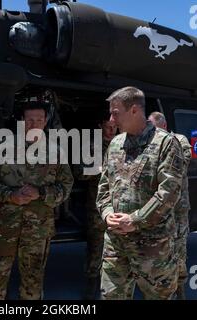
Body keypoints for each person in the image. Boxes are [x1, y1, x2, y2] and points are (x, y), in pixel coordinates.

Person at [0, 99, 74, 300]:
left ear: (46, 120)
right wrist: (10, 195)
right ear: (22, 120)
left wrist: (41, 193)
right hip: (5, 227)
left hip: (37, 231)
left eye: (39, 119)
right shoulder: (4, 147)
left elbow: (65, 187)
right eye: (30, 120)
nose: (34, 124)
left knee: (33, 282)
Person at [96, 86, 184, 300]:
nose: (111, 119)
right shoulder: (116, 144)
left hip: (152, 247)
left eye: (115, 113)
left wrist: (136, 219)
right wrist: (107, 213)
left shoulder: (165, 143)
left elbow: (169, 193)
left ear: (134, 110)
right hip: (116, 244)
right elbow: (104, 187)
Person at [148, 111, 192, 300]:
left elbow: (184, 161)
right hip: (157, 208)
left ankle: (180, 291)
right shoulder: (149, 143)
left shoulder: (178, 140)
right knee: (158, 251)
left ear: (163, 126)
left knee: (179, 251)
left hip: (177, 208)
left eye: (153, 128)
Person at [74, 119, 117, 299]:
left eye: (114, 127)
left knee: (116, 248)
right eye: (107, 127)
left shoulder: (123, 144)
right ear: (99, 125)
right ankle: (92, 284)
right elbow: (78, 172)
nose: (111, 130)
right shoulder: (90, 145)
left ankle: (113, 284)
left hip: (119, 206)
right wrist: (99, 169)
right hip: (97, 206)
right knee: (96, 247)